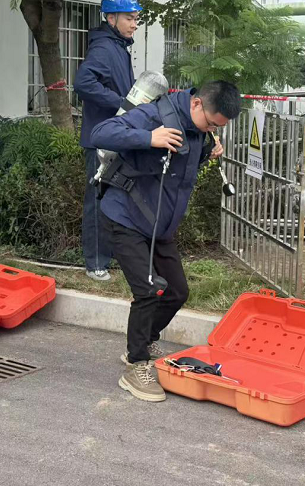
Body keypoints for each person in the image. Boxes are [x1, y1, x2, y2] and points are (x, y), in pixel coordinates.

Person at [91, 80, 241, 402]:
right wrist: (148, 138)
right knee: (149, 289)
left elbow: (176, 171)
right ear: (197, 104)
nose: (213, 130)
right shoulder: (154, 116)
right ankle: (136, 365)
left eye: (218, 128)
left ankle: (142, 341)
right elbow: (99, 133)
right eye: (212, 123)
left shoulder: (197, 130)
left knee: (176, 291)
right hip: (125, 216)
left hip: (157, 224)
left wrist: (207, 153)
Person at [74, 0, 141, 282]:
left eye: (136, 18)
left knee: (115, 200)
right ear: (111, 18)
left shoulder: (119, 47)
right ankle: (96, 263)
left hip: (115, 136)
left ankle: (109, 257)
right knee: (99, 200)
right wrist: (120, 104)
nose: (134, 24)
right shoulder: (103, 48)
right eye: (129, 17)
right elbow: (83, 83)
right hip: (101, 139)